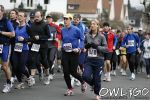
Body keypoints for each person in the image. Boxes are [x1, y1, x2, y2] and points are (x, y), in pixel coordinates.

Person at [61, 14, 87, 96]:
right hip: (65, 52)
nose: (65, 20)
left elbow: (82, 39)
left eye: (66, 19)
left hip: (74, 53)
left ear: (70, 20)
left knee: (73, 71)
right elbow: (63, 40)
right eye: (64, 19)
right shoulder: (62, 30)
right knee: (65, 72)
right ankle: (70, 88)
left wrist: (79, 48)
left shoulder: (76, 29)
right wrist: (61, 46)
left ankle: (83, 82)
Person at [83, 20, 107, 100]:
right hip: (89, 60)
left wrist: (97, 46)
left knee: (97, 79)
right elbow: (84, 45)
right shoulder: (87, 35)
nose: (92, 25)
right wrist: (86, 46)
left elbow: (106, 49)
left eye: (94, 24)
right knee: (85, 76)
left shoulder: (101, 36)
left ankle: (97, 94)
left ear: (97, 25)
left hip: (98, 60)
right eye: (91, 24)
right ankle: (93, 84)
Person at [12, 11, 35, 89]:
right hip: (16, 49)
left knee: (21, 67)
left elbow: (32, 38)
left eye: (21, 16)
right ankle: (20, 82)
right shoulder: (16, 27)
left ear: (25, 17)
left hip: (24, 49)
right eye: (18, 16)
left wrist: (24, 39)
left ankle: (29, 77)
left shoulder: (28, 27)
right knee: (15, 67)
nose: (19, 17)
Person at [30, 11, 51, 85]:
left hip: (43, 46)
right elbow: (31, 35)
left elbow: (48, 36)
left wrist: (40, 37)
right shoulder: (32, 25)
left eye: (38, 17)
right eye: (35, 17)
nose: (36, 18)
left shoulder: (45, 25)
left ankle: (47, 75)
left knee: (43, 60)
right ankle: (32, 77)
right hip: (35, 45)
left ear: (41, 17)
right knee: (33, 60)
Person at [0, 5, 15, 93]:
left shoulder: (6, 21)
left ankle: (9, 83)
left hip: (4, 45)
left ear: (2, 11)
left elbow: (12, 34)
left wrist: (1, 32)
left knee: (5, 67)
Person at [46, 14, 61, 80]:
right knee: (46, 60)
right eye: (47, 18)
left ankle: (51, 73)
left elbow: (60, 33)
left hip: (53, 45)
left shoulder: (56, 26)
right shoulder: (45, 26)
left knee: (51, 59)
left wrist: (57, 38)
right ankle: (49, 70)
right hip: (46, 45)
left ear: (52, 19)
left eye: (49, 18)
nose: (48, 20)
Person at [9, 9, 19, 83]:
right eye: (11, 13)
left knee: (15, 60)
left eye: (13, 13)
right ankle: (14, 74)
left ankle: (14, 75)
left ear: (16, 15)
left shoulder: (18, 23)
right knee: (11, 61)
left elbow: (15, 34)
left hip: (17, 44)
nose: (11, 14)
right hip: (9, 43)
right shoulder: (8, 22)